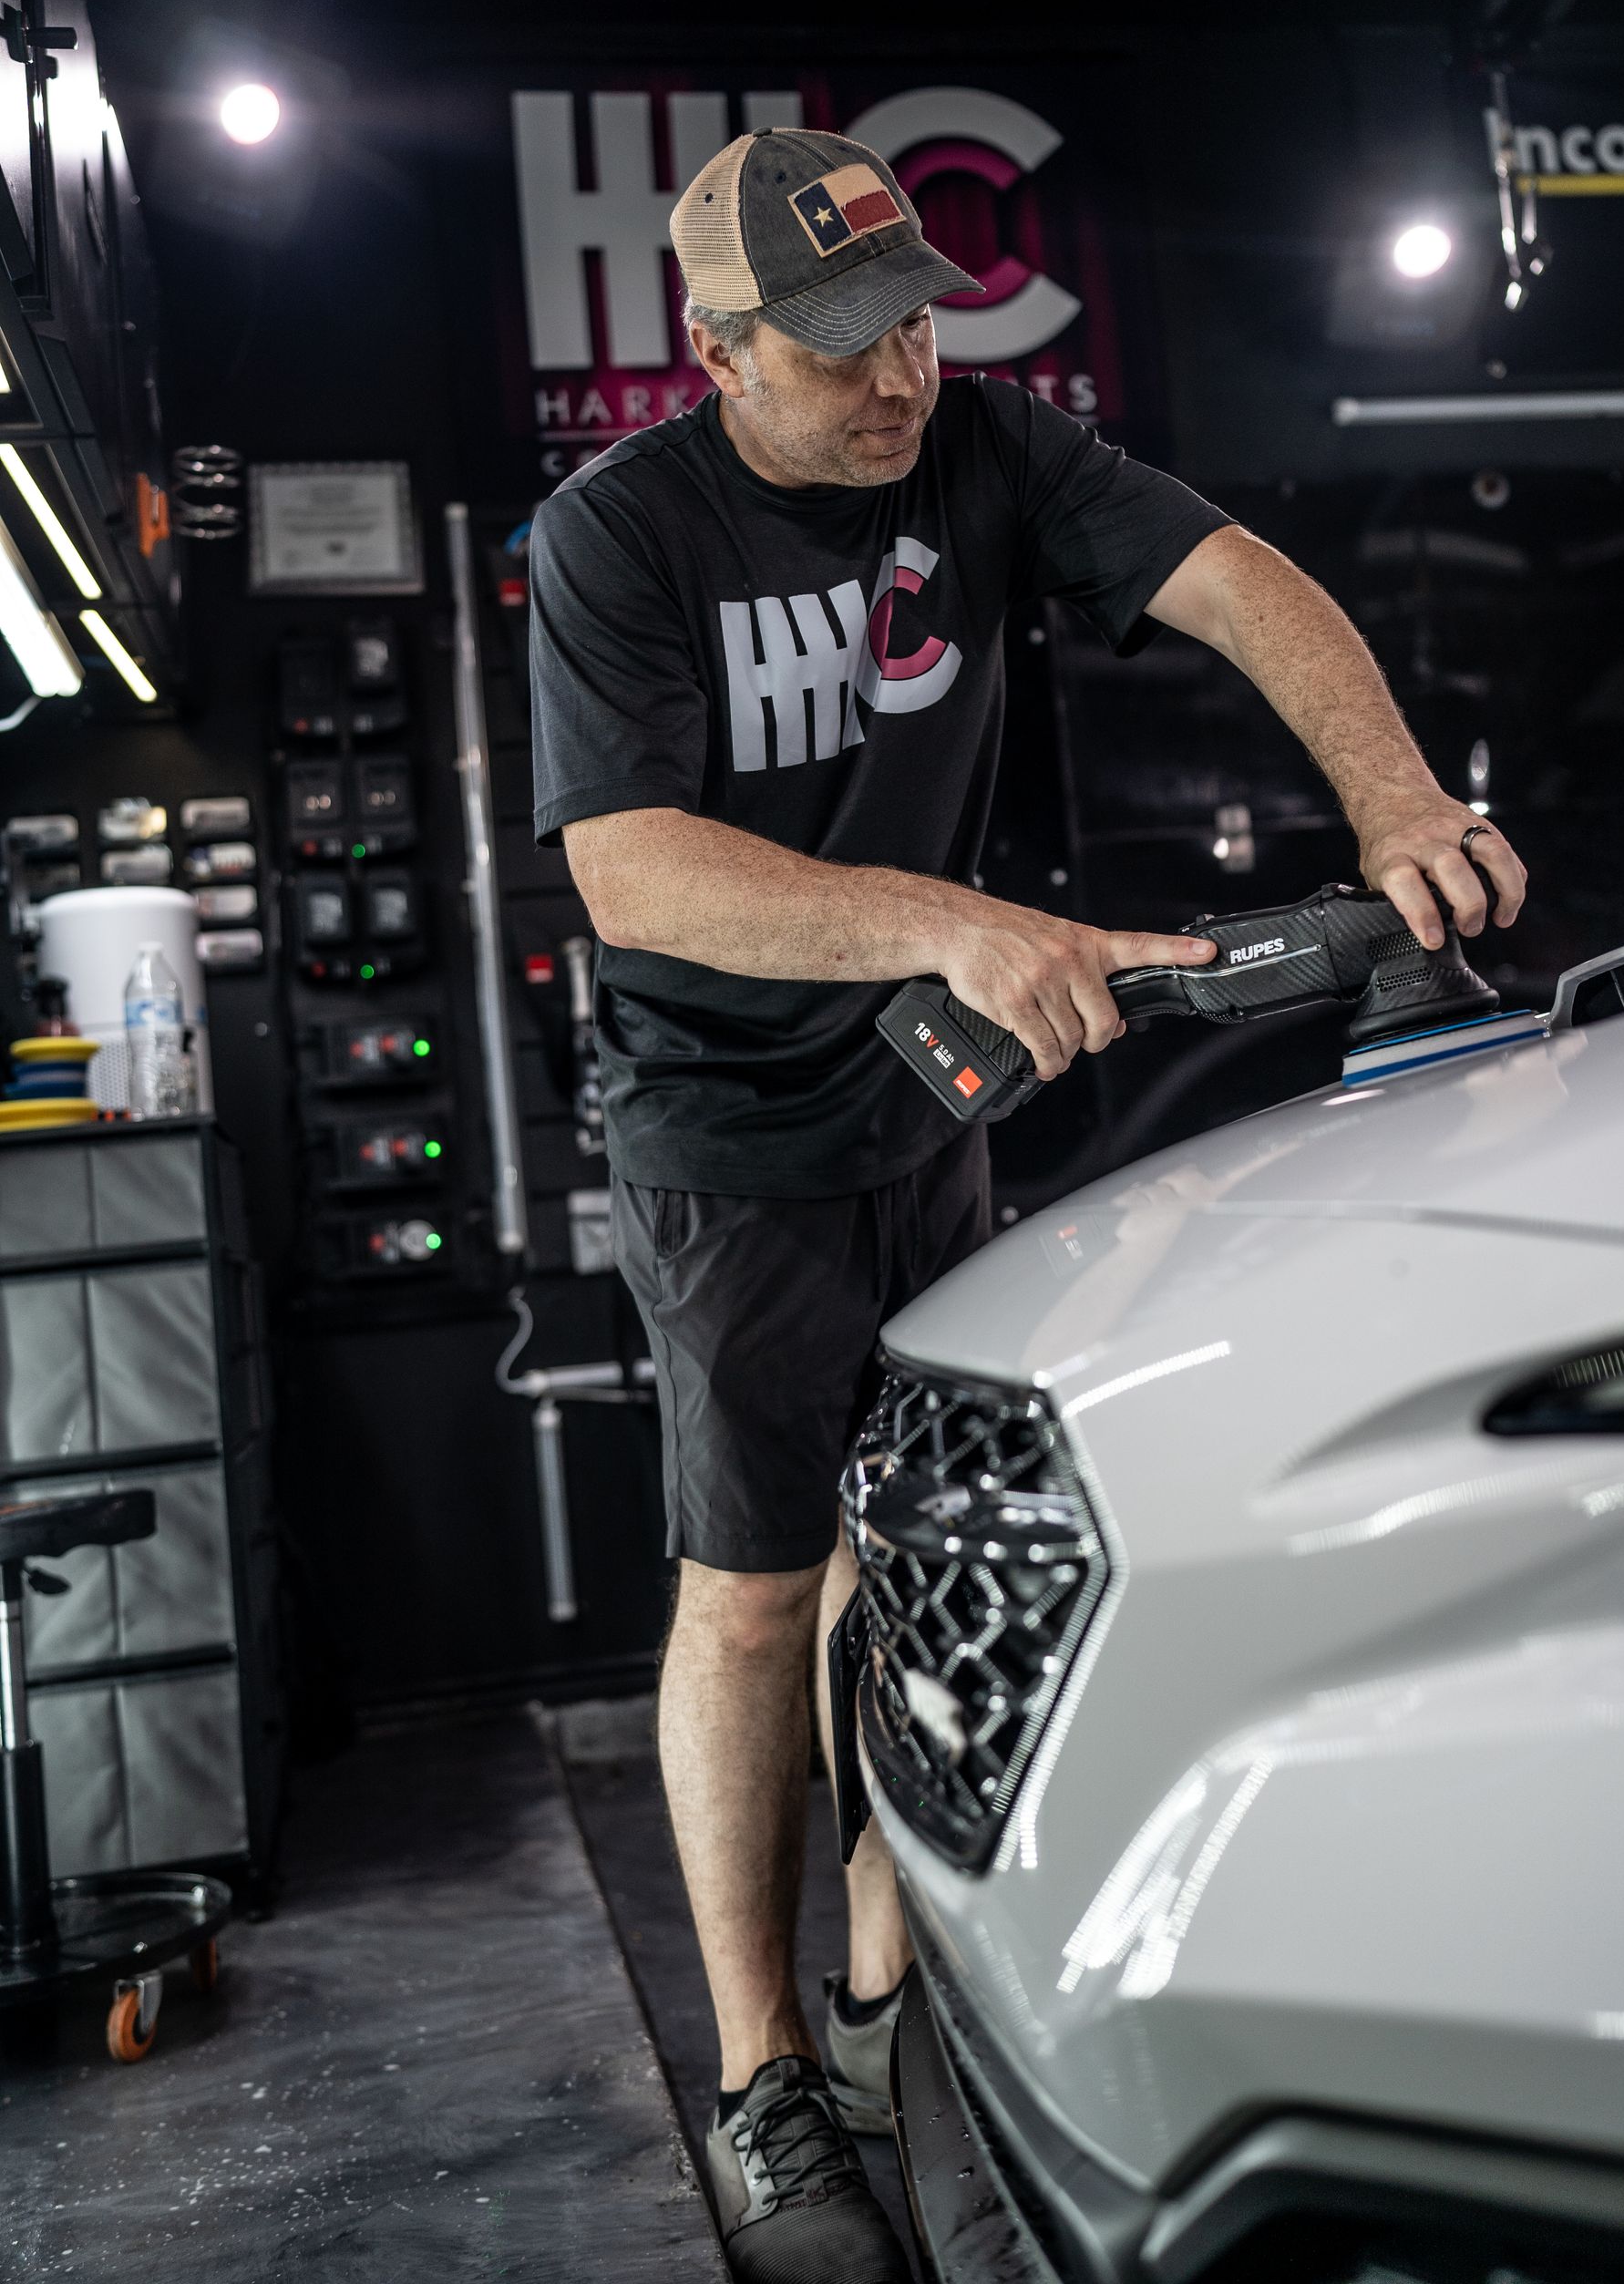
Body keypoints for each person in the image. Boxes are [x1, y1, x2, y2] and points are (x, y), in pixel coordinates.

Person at [527, 127, 1526, 2281]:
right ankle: (763, 2080)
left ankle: (897, 2013)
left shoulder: (986, 444)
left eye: (914, 326)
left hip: (930, 1102)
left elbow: (1243, 577)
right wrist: (951, 923)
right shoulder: (616, 537)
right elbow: (635, 869)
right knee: (758, 1590)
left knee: (916, 1555)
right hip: (726, 1133)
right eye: (837, 351)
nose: (895, 381)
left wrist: (1399, 796)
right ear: (714, 349)